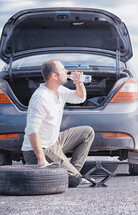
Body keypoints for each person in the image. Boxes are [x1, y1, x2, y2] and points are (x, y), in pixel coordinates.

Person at [22, 59, 94, 188]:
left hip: (54, 142)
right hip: (41, 149)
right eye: (63, 70)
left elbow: (80, 98)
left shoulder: (60, 90)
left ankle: (74, 171)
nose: (67, 71)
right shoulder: (40, 97)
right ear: (54, 76)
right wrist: (41, 159)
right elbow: (32, 130)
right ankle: (74, 176)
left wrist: (79, 83)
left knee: (87, 132)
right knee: (74, 181)